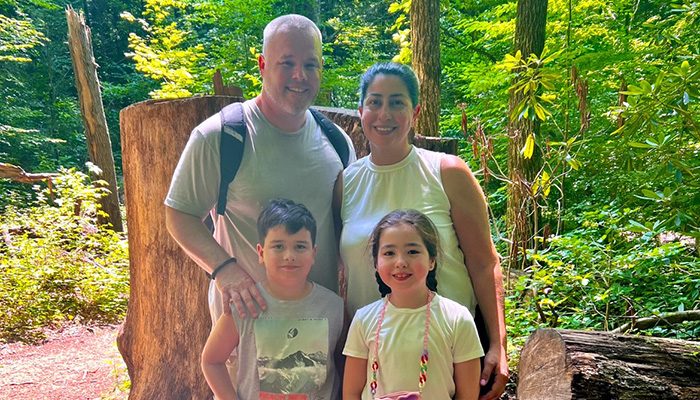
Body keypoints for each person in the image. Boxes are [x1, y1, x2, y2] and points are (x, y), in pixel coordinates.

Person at [335, 62, 508, 399]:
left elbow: (484, 263)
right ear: (361, 111)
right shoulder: (346, 184)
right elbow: (344, 272)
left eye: (397, 102)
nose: (385, 113)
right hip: (373, 358)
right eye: (375, 102)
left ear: (414, 111)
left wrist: (499, 345)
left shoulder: (446, 171)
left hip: (448, 354)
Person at [165, 14, 355, 322]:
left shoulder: (338, 143)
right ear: (263, 65)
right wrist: (224, 269)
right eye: (287, 63)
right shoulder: (220, 137)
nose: (300, 75)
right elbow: (179, 214)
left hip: (319, 336)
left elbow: (353, 226)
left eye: (310, 65)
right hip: (246, 334)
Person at [201, 198, 345, 400]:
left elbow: (344, 362)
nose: (289, 255)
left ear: (313, 254)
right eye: (278, 246)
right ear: (261, 253)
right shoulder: (245, 305)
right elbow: (212, 360)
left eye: (300, 247)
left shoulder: (333, 306)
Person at [343, 209, 483, 399]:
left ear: (432, 260)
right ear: (376, 262)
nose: (400, 262)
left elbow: (467, 395)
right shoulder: (363, 319)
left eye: (412, 251)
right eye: (389, 253)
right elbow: (351, 394)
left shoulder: (457, 318)